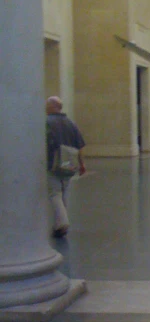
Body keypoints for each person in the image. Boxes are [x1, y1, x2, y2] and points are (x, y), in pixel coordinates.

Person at [46, 96, 86, 238]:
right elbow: (80, 145)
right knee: (64, 192)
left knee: (54, 193)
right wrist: (82, 164)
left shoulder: (47, 122)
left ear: (52, 107)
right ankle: (59, 226)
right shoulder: (70, 123)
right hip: (69, 164)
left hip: (52, 163)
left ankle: (62, 222)